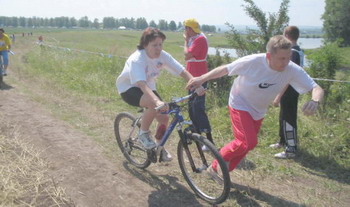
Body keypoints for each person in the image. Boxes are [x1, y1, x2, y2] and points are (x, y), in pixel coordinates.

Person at [186, 35, 324, 179]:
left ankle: (220, 170)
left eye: (288, 57)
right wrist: (201, 78)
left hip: (259, 110)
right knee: (247, 142)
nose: (286, 62)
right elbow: (225, 69)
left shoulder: (292, 69)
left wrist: (315, 101)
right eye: (282, 58)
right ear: (269, 55)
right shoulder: (253, 61)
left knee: (248, 145)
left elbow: (317, 88)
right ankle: (215, 166)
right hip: (240, 102)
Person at [116, 27, 202, 162]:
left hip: (147, 87)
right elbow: (141, 84)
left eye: (160, 44)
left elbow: (182, 71)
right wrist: (156, 102)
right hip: (129, 88)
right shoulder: (137, 59)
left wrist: (197, 85)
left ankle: (159, 147)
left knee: (164, 117)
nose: (158, 48)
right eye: (154, 45)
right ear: (145, 45)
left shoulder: (163, 56)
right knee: (153, 104)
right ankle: (143, 133)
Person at [270, 26, 305, 159]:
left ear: (287, 35)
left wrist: (278, 96)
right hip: (291, 89)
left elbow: (288, 77)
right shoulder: (298, 51)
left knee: (289, 118)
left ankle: (291, 148)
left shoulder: (293, 53)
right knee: (283, 115)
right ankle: (282, 141)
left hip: (290, 89)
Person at [183, 18, 214, 149]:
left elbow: (187, 55)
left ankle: (209, 141)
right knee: (191, 107)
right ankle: (197, 136)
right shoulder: (194, 38)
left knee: (198, 108)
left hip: (198, 76)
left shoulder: (199, 39)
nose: (185, 31)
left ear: (190, 29)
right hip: (192, 76)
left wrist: (185, 42)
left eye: (185, 28)